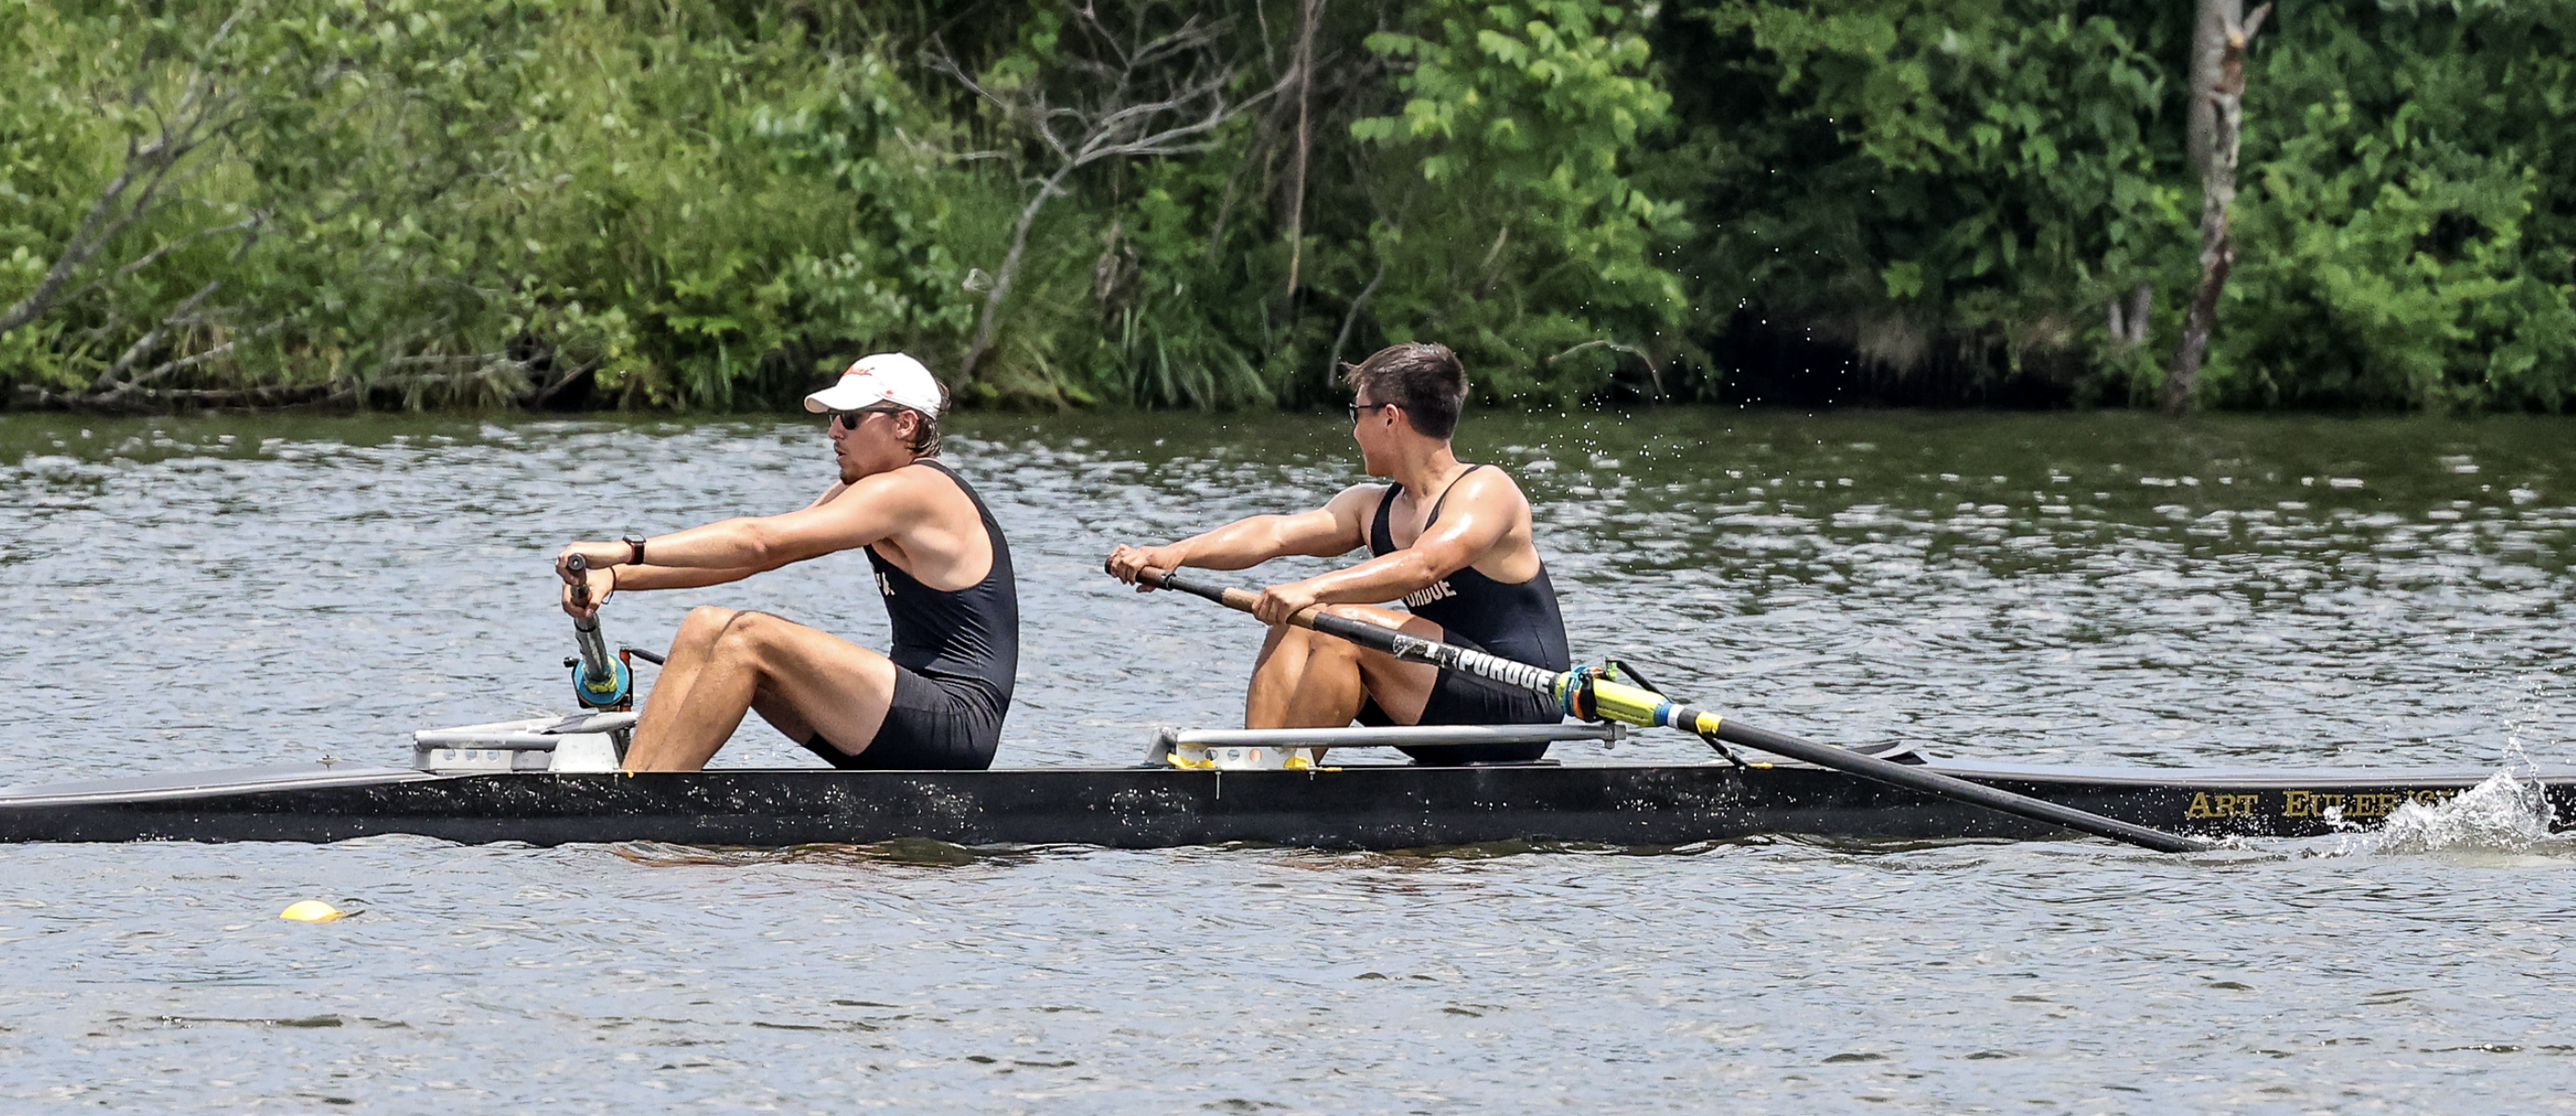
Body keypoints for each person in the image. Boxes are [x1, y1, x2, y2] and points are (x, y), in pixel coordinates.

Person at [1104, 342, 1570, 764]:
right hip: (1433, 693)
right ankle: (1254, 769)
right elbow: (1275, 534)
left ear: (1390, 417)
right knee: (1302, 621)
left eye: (1358, 413)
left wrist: (1308, 589)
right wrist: (1173, 554)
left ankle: (1281, 777)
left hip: (1519, 703)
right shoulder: (1372, 505)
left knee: (1341, 625)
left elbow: (1424, 565)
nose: (1353, 431)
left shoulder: (1486, 491)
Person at [553, 352, 1018, 773]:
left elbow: (758, 542)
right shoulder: (872, 490)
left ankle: (653, 808)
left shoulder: (917, 488)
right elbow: (746, 560)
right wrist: (615, 577)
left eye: (851, 418)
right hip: (903, 714)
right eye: (835, 417)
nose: (834, 430)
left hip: (956, 725)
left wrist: (626, 549)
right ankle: (636, 786)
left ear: (906, 425)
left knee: (749, 636)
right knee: (704, 626)